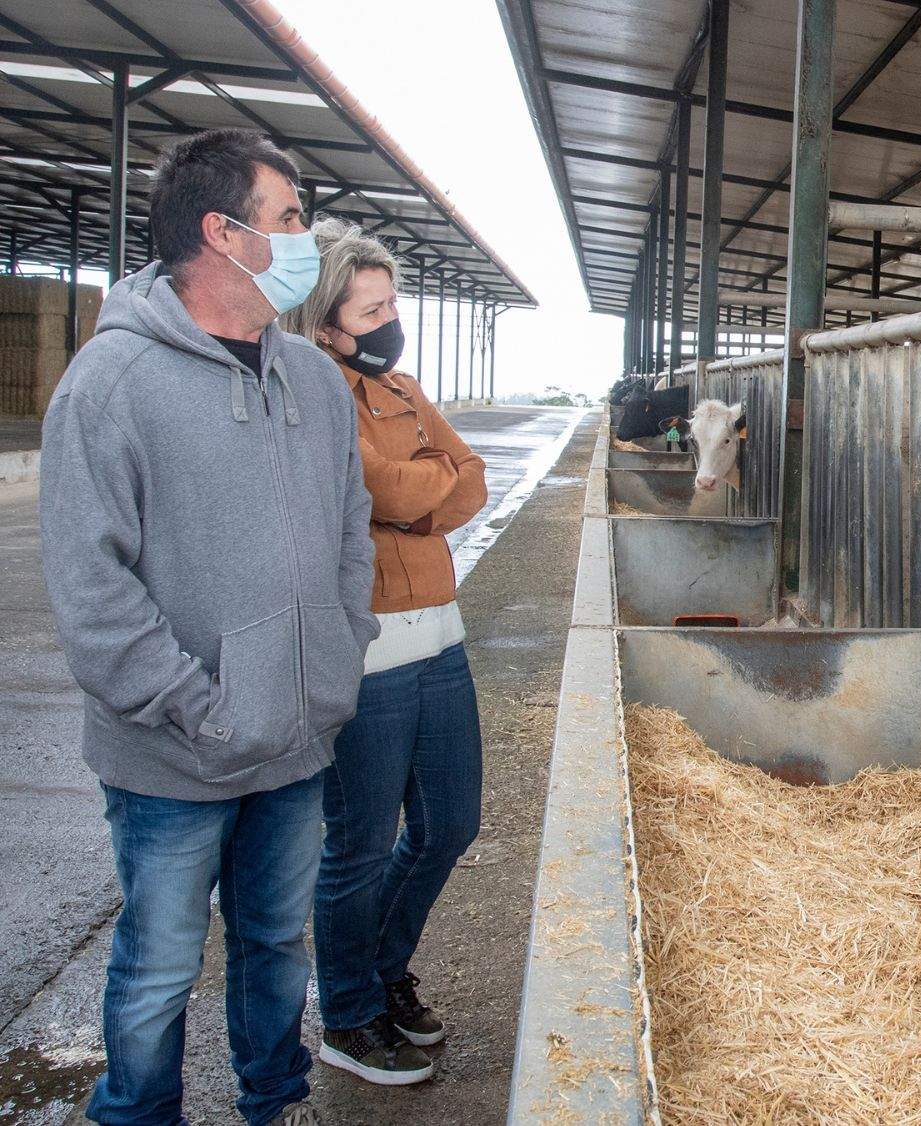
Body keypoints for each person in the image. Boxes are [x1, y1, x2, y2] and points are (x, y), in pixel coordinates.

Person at [39, 129, 371, 1126]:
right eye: (290, 215)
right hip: (173, 757)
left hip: (298, 738)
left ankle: (276, 1102)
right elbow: (92, 593)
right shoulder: (109, 386)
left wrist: (338, 655)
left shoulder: (310, 379)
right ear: (223, 234)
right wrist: (203, 710)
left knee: (277, 943)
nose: (305, 235)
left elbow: (350, 528)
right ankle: (139, 1114)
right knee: (161, 960)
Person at [279, 219, 487, 1086]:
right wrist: (410, 494)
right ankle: (350, 1016)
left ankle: (382, 968)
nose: (391, 318)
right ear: (327, 322)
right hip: (362, 648)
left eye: (394, 300)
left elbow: (468, 477)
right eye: (374, 306)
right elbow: (375, 484)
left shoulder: (401, 387)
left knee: (450, 824)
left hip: (439, 633)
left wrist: (409, 499)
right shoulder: (311, 390)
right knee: (359, 842)